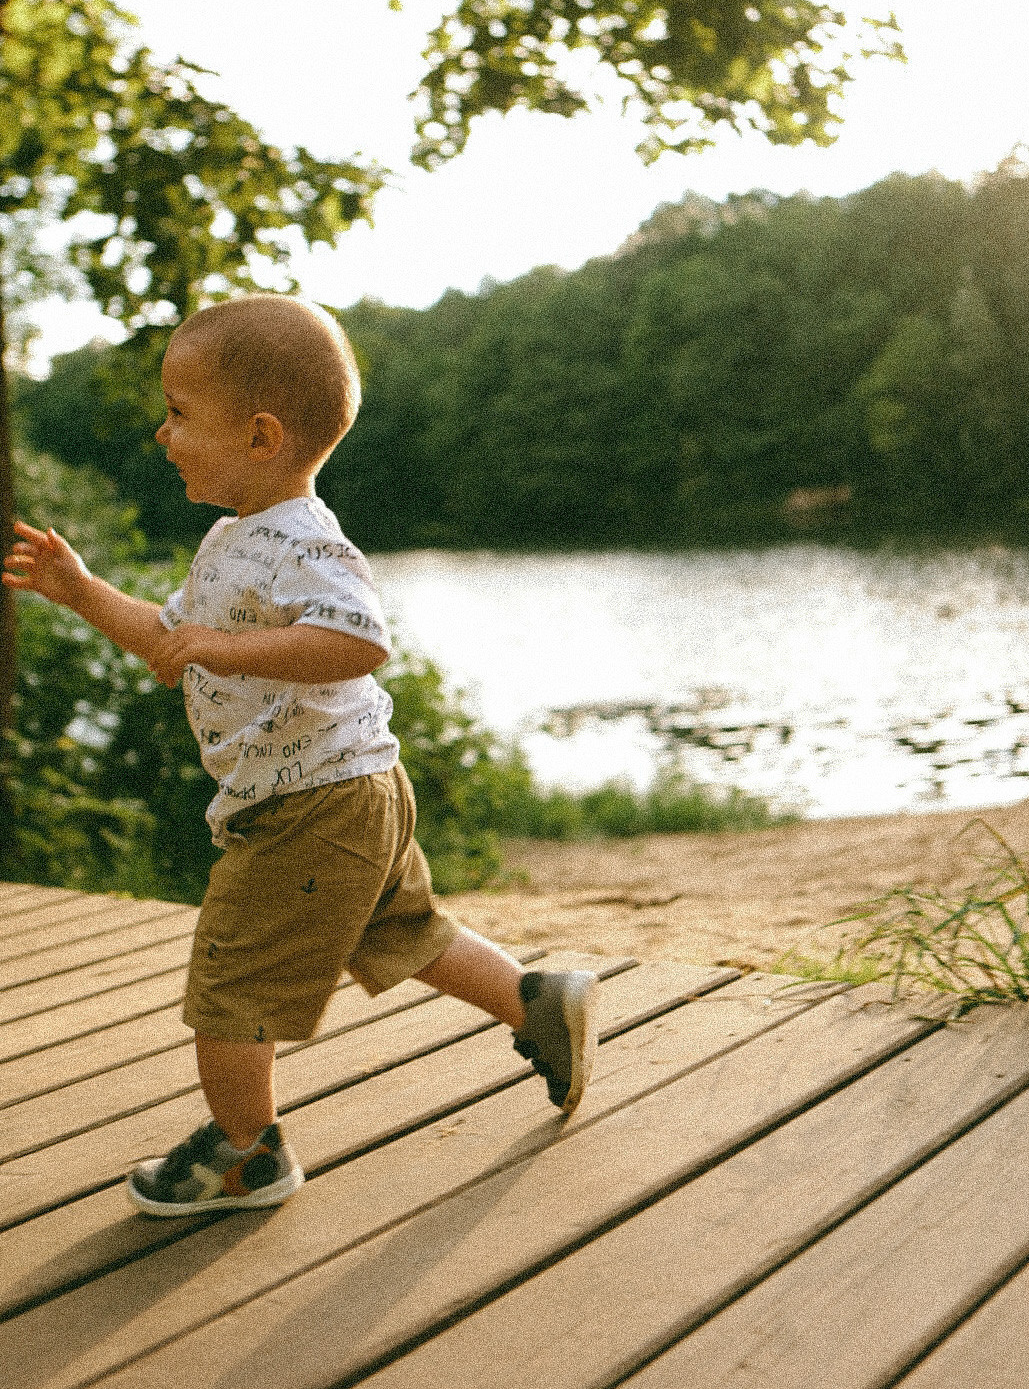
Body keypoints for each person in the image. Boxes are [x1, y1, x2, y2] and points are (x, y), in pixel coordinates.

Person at [2, 293, 598, 1217]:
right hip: (349, 789)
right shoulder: (234, 539)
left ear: (260, 436)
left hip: (312, 804)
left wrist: (222, 646)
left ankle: (248, 1152)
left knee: (230, 984)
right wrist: (83, 594)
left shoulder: (307, 540)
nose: (163, 433)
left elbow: (357, 640)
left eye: (179, 414)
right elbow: (172, 642)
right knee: (401, 931)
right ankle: (538, 1002)